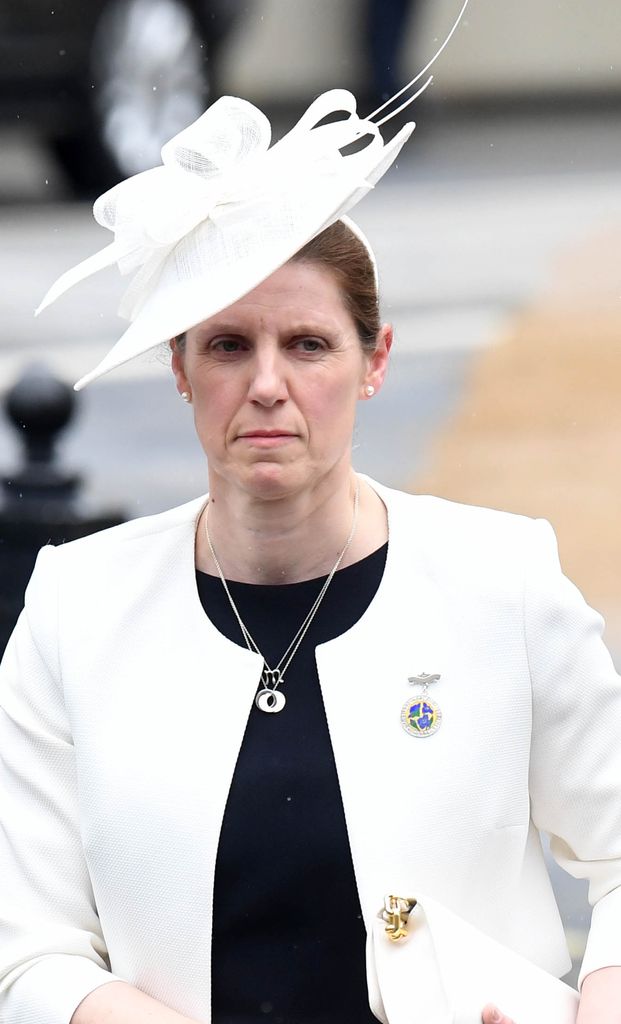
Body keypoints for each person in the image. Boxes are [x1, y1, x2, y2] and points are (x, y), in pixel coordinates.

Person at [1, 30, 621, 1024]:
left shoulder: (504, 579)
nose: (268, 385)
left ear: (375, 364)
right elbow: (23, 948)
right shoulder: (77, 607)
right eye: (228, 345)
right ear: (180, 370)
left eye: (309, 344)